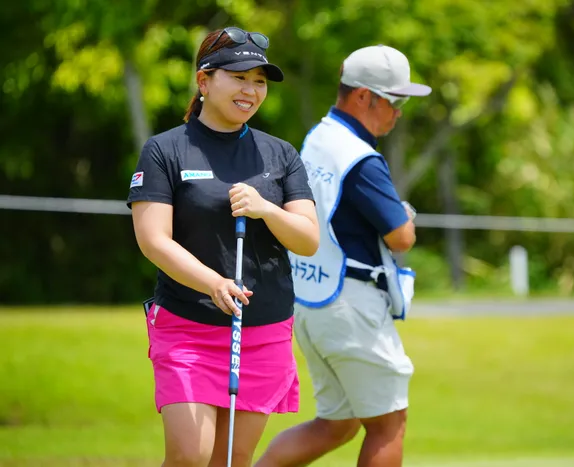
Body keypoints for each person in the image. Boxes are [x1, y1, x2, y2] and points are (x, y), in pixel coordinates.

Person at [127, 26, 319, 467]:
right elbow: (153, 240)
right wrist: (213, 282)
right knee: (189, 456)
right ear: (204, 81)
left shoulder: (280, 154)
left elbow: (308, 239)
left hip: (263, 329)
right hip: (189, 326)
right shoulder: (165, 150)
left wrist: (266, 210)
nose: (251, 90)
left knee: (231, 459)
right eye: (239, 77)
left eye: (259, 81)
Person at [256, 45, 431, 467]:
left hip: (311, 302)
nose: (399, 113)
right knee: (388, 423)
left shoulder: (319, 138)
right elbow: (401, 236)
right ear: (364, 96)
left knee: (338, 424)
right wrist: (406, 214)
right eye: (395, 101)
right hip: (351, 304)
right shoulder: (361, 157)